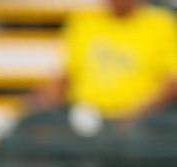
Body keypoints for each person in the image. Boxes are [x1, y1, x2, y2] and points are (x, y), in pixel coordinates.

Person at [34, 0, 177, 121]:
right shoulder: (85, 21)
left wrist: (138, 114)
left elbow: (172, 82)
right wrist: (45, 100)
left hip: (140, 120)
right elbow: (67, 73)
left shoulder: (162, 24)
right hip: (83, 114)